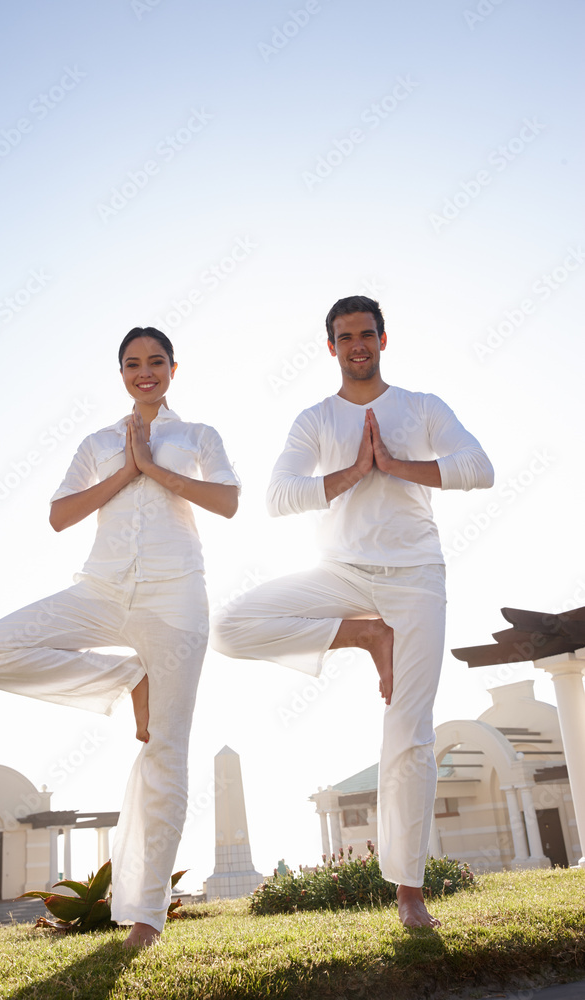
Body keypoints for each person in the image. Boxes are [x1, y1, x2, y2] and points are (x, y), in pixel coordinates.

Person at [211, 295, 493, 929]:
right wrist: (353, 472)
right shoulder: (314, 420)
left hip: (417, 578)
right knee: (230, 626)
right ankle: (365, 636)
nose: (357, 344)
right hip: (339, 575)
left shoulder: (422, 407)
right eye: (345, 336)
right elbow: (279, 496)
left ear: (384, 340)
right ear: (330, 347)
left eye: (367, 334)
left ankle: (409, 890)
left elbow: (480, 469)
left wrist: (393, 466)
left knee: (408, 733)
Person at [0, 327, 240, 948]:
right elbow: (60, 516)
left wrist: (158, 471)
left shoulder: (198, 436)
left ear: (174, 368)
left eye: (156, 361)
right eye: (134, 364)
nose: (146, 372)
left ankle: (146, 917)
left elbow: (227, 501)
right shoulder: (97, 442)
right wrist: (128, 470)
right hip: (101, 590)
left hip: (175, 598)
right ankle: (124, 676)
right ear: (121, 373)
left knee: (165, 750)